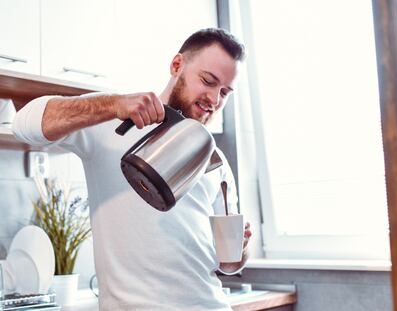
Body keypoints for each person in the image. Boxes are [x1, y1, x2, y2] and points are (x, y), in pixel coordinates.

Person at [13, 28, 251, 310]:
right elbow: (23, 124)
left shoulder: (215, 159)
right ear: (177, 66)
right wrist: (113, 104)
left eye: (224, 92)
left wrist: (242, 249)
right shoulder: (113, 122)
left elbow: (228, 264)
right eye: (208, 81)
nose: (214, 99)